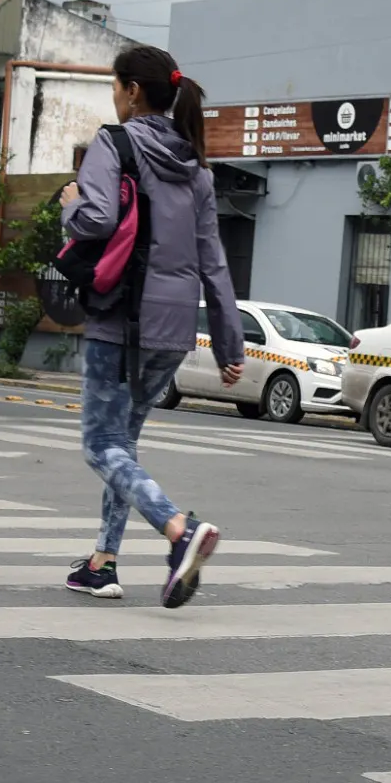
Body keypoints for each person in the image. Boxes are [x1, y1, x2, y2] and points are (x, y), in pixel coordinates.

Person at [60, 43, 242, 607]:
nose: (113, 98)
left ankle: (178, 528)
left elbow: (94, 217)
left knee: (99, 445)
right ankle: (102, 563)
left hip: (121, 318)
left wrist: (68, 202)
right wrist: (229, 344)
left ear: (133, 91)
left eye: (116, 87)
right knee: (124, 445)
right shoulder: (197, 170)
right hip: (172, 327)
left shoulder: (112, 144)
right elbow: (214, 261)